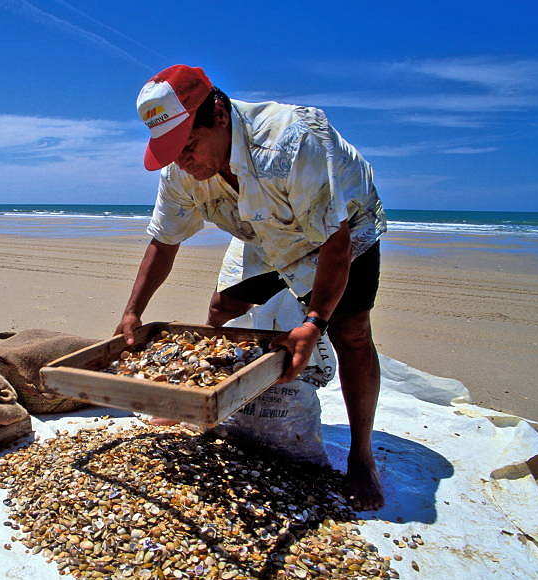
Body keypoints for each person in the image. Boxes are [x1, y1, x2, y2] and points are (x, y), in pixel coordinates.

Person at [114, 65, 387, 510]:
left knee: (351, 334)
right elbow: (163, 242)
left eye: (189, 146)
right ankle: (203, 407)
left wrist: (314, 321)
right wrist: (132, 311)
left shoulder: (291, 143)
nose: (183, 160)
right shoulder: (182, 169)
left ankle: (361, 456)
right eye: (171, 152)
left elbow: (333, 244)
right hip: (262, 232)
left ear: (219, 115)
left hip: (340, 230)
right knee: (222, 309)